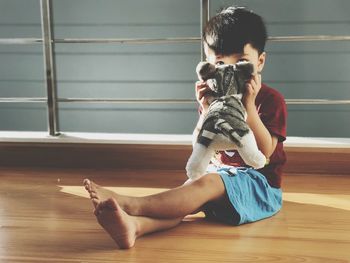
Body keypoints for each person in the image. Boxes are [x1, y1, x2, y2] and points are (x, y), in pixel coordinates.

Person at [83, 6, 287, 249]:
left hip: (259, 188)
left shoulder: (271, 99)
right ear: (209, 65)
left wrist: (249, 106)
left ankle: (131, 204)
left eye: (241, 62)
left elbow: (264, 154)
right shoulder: (214, 100)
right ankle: (135, 227)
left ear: (260, 62)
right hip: (219, 178)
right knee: (186, 197)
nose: (230, 71)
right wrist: (204, 109)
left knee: (204, 185)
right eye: (221, 62)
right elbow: (200, 144)